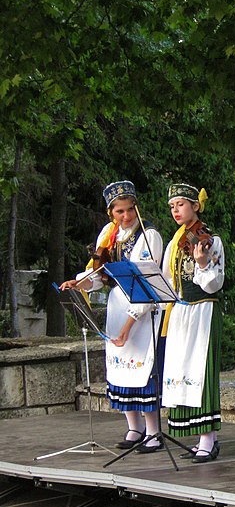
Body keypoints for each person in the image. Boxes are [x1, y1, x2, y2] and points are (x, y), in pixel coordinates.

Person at [60, 180, 164, 452]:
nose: (126, 216)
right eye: (120, 211)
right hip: (116, 304)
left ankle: (153, 431)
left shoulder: (148, 235)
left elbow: (148, 284)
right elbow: (98, 277)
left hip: (141, 310)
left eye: (130, 210)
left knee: (143, 371)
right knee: (120, 368)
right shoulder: (108, 234)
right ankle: (134, 428)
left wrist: (128, 327)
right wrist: (78, 282)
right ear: (111, 213)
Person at [161, 184, 225, 463]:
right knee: (181, 372)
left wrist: (201, 264)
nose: (176, 210)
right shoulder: (174, 243)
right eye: (172, 206)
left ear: (196, 206)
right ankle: (197, 437)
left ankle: (208, 441)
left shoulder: (211, 241)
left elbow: (213, 285)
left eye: (181, 205)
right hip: (180, 313)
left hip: (203, 312)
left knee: (202, 373)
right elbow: (166, 280)